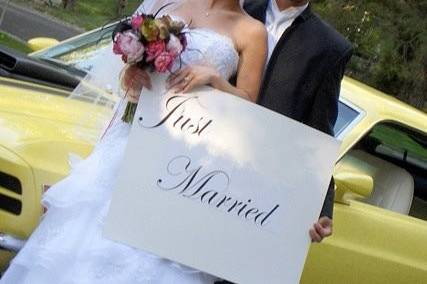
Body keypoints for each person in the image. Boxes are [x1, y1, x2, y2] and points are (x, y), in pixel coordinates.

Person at [0, 1, 267, 283]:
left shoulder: (252, 31)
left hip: (182, 160)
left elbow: (248, 105)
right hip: (130, 139)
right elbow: (130, 71)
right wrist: (131, 75)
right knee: (85, 239)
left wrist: (215, 79)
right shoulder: (171, 3)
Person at [244, 0, 353, 243]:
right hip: (199, 161)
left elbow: (319, 132)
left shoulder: (330, 47)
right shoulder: (239, 8)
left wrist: (321, 207)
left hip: (261, 189)